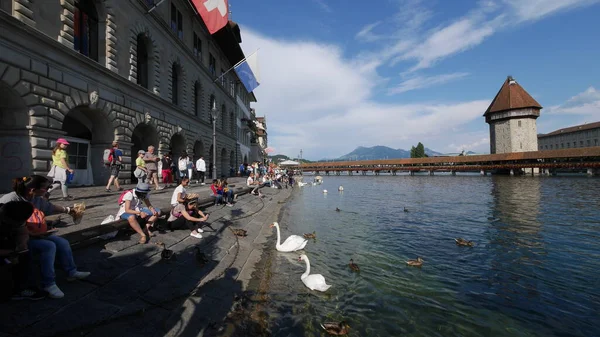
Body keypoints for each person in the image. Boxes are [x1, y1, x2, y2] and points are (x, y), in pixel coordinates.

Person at [0, 176, 90, 299]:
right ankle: (49, 283)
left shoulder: (36, 198)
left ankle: (71, 272)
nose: (48, 190)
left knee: (61, 242)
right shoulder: (11, 200)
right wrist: (21, 246)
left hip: (27, 235)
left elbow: (50, 207)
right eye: (46, 187)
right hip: (11, 239)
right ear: (32, 189)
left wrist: (69, 210)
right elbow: (16, 227)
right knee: (48, 246)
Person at [0, 201, 47, 301]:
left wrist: (22, 244)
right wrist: (10, 253)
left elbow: (23, 232)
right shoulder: (9, 215)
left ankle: (21, 289)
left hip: (8, 245)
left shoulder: (16, 214)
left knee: (25, 256)